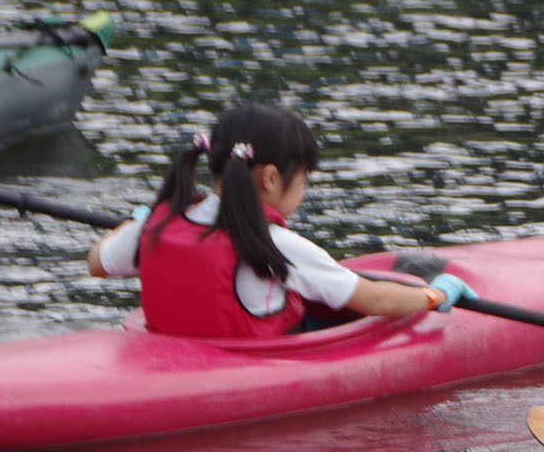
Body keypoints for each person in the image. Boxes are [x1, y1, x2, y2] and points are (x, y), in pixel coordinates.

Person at [87, 101, 468, 340]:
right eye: (302, 181)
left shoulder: (159, 222)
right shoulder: (274, 245)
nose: (302, 193)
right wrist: (433, 296)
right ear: (271, 178)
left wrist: (136, 222)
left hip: (175, 355)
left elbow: (97, 263)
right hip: (254, 364)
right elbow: (376, 298)